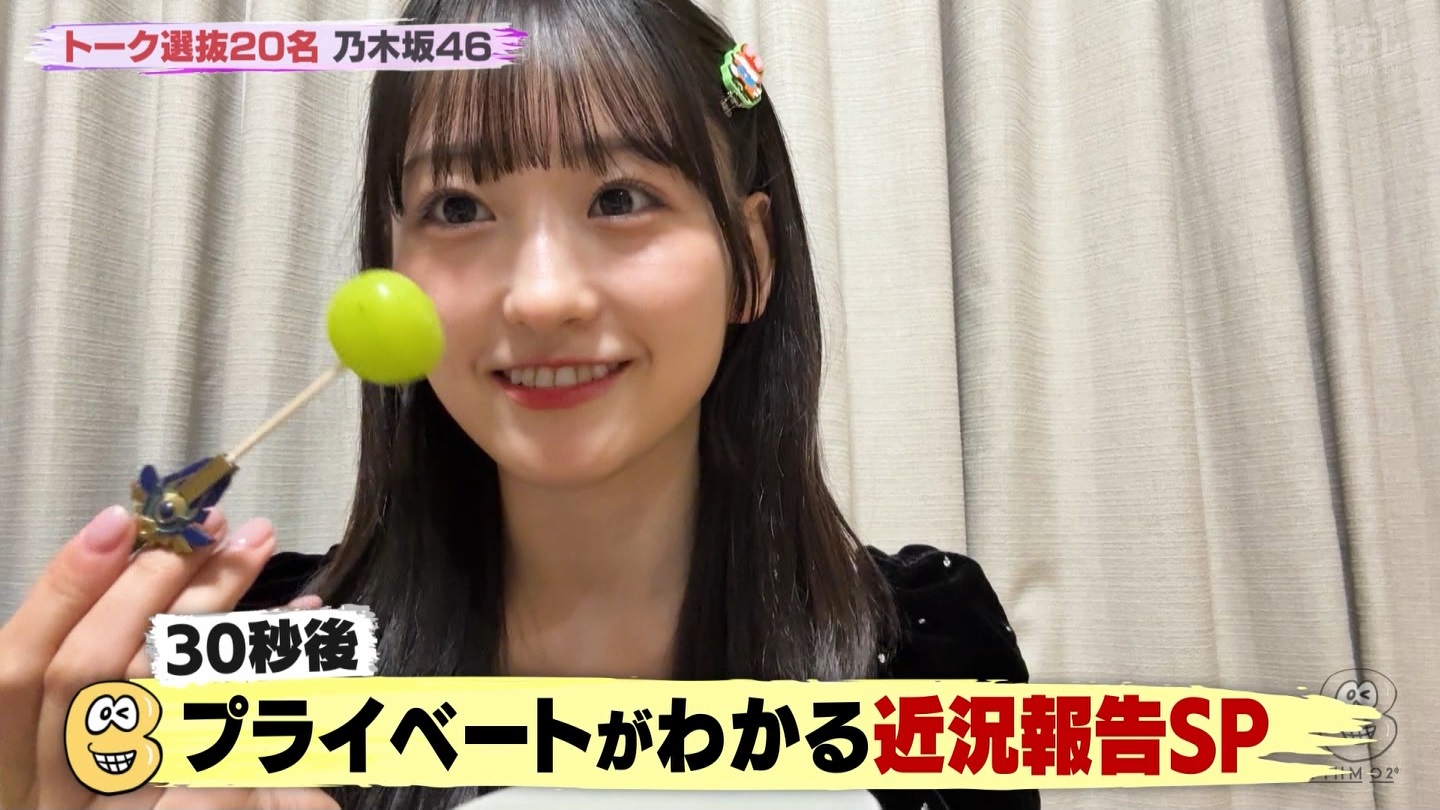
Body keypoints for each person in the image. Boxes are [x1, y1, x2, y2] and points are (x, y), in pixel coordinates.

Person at [0, 1, 1038, 808]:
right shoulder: (247, 664)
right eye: (458, 207)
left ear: (752, 257)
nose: (541, 298)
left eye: (621, 198)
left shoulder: (930, 656)